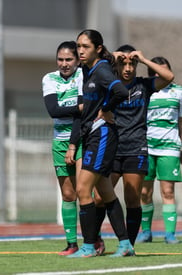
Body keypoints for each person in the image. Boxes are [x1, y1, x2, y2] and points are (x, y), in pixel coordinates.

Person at [93, 45, 174, 247]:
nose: (128, 68)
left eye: (132, 64)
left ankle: (127, 245)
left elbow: (169, 77)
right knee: (98, 198)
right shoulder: (107, 84)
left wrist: (144, 59)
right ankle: (95, 239)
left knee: (132, 200)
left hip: (135, 148)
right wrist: (111, 58)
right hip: (110, 148)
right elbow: (87, 74)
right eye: (124, 64)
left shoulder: (143, 85)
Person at [67, 29, 134, 258]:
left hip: (102, 134)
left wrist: (106, 110)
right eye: (78, 46)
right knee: (105, 192)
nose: (80, 50)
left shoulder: (102, 69)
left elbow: (121, 90)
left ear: (97, 48)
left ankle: (88, 246)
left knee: (82, 189)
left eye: (85, 46)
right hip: (93, 135)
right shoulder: (88, 70)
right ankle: (125, 244)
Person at [42, 41, 83, 255]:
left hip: (84, 139)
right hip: (59, 141)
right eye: (61, 59)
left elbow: (82, 117)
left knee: (86, 193)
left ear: (77, 60)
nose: (64, 64)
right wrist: (77, 107)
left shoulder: (83, 76)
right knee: (68, 194)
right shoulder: (49, 79)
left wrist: (74, 145)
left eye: (69, 59)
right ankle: (71, 243)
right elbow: (53, 111)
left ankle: (94, 240)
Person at [136, 56, 182, 244]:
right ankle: (146, 232)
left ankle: (170, 234)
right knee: (144, 193)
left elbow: (181, 122)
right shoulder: (145, 91)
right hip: (145, 148)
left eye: (164, 70)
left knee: (168, 191)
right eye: (156, 72)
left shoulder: (178, 92)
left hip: (170, 147)